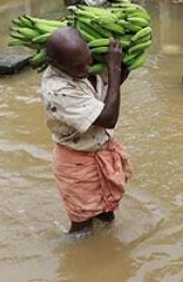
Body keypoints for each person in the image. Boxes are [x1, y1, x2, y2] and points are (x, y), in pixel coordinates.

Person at [40, 27, 132, 233]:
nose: (86, 67)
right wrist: (114, 69)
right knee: (82, 227)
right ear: (56, 64)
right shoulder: (57, 89)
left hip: (102, 150)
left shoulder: (87, 67)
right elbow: (108, 118)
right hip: (77, 161)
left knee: (107, 212)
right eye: (77, 65)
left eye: (88, 60)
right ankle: (76, 258)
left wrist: (122, 64)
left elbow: (110, 92)